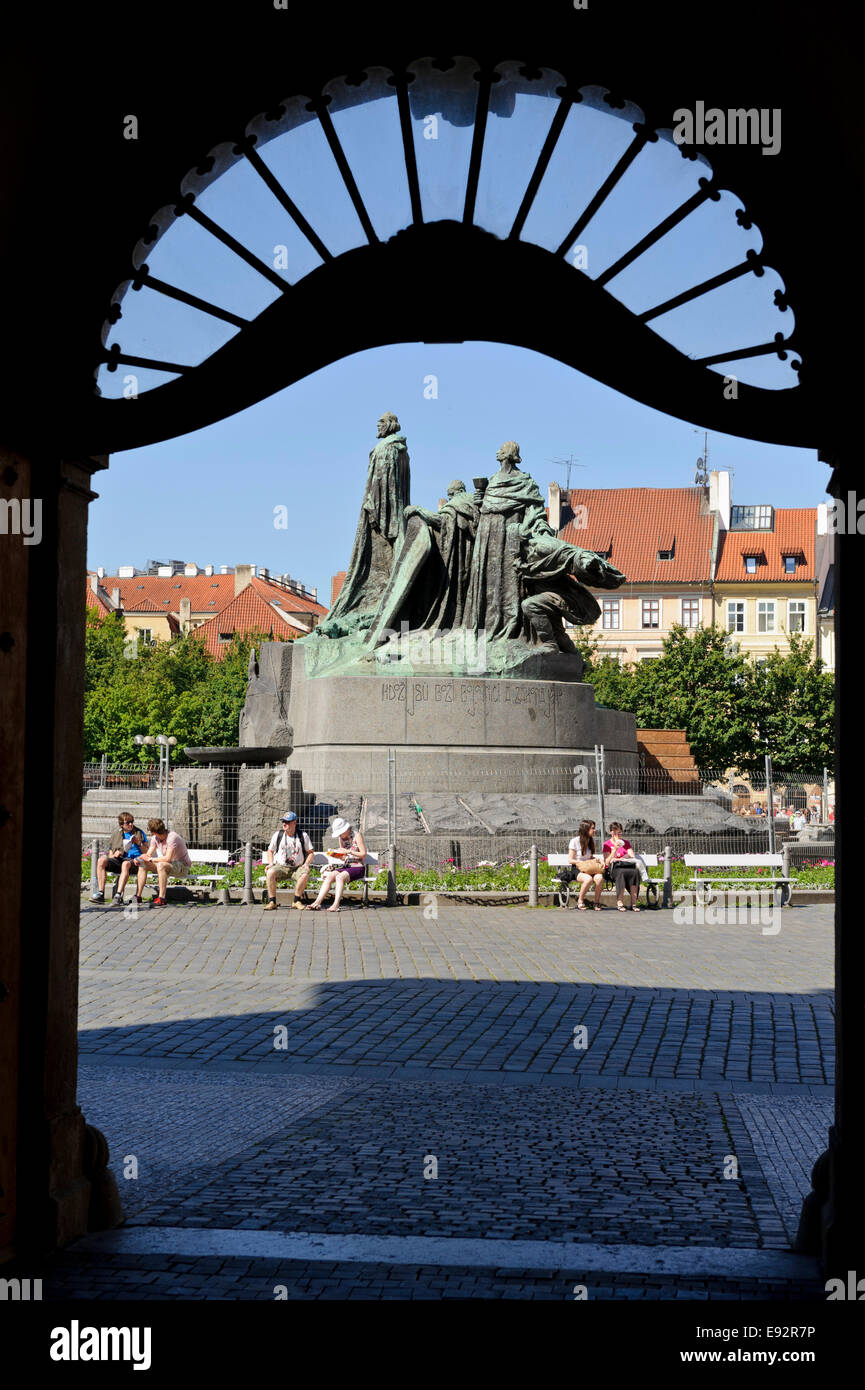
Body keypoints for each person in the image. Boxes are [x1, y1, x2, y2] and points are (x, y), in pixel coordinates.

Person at [308, 817, 367, 913]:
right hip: (347, 866)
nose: (340, 835)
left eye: (341, 833)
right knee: (330, 875)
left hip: (358, 866)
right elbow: (344, 856)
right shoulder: (341, 838)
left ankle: (336, 905)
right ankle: (317, 902)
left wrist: (348, 851)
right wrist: (337, 855)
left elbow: (363, 854)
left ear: (346, 829)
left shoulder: (357, 835)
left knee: (340, 877)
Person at [132, 818, 192, 906]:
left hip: (182, 866)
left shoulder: (172, 837)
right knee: (143, 864)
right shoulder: (155, 838)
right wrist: (140, 859)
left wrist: (151, 859)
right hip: (169, 865)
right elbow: (148, 855)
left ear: (153, 831)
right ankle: (138, 897)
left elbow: (168, 858)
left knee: (161, 865)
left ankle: (162, 898)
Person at [92, 812, 147, 904]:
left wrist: (139, 843)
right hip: (120, 860)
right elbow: (110, 854)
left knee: (125, 864)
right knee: (101, 860)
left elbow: (147, 852)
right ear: (121, 825)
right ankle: (101, 893)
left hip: (135, 862)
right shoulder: (116, 834)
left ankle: (118, 895)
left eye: (132, 822)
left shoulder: (139, 833)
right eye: (128, 822)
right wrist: (114, 855)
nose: (131, 824)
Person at [263, 811, 314, 911]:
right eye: (283, 821)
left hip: (297, 867)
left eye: (287, 822)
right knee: (270, 872)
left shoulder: (303, 835)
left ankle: (296, 901)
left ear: (294, 823)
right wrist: (270, 864)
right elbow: (270, 850)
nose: (284, 824)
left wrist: (306, 864)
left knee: (305, 873)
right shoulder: (278, 835)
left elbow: (311, 852)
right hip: (281, 867)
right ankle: (272, 901)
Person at [567, 818, 605, 911]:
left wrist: (598, 860)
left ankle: (596, 902)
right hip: (578, 868)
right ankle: (580, 901)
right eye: (592, 828)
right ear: (586, 829)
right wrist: (580, 862)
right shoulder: (575, 841)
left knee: (599, 878)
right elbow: (570, 860)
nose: (594, 830)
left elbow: (589, 856)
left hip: (589, 868)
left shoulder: (590, 841)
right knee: (588, 879)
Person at [603, 821, 641, 912]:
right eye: (615, 832)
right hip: (614, 869)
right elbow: (607, 862)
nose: (618, 835)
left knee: (635, 872)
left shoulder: (626, 843)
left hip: (626, 866)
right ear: (611, 832)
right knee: (621, 873)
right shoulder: (607, 844)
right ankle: (619, 902)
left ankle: (634, 903)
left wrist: (619, 859)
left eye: (620, 832)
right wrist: (615, 849)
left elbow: (632, 855)